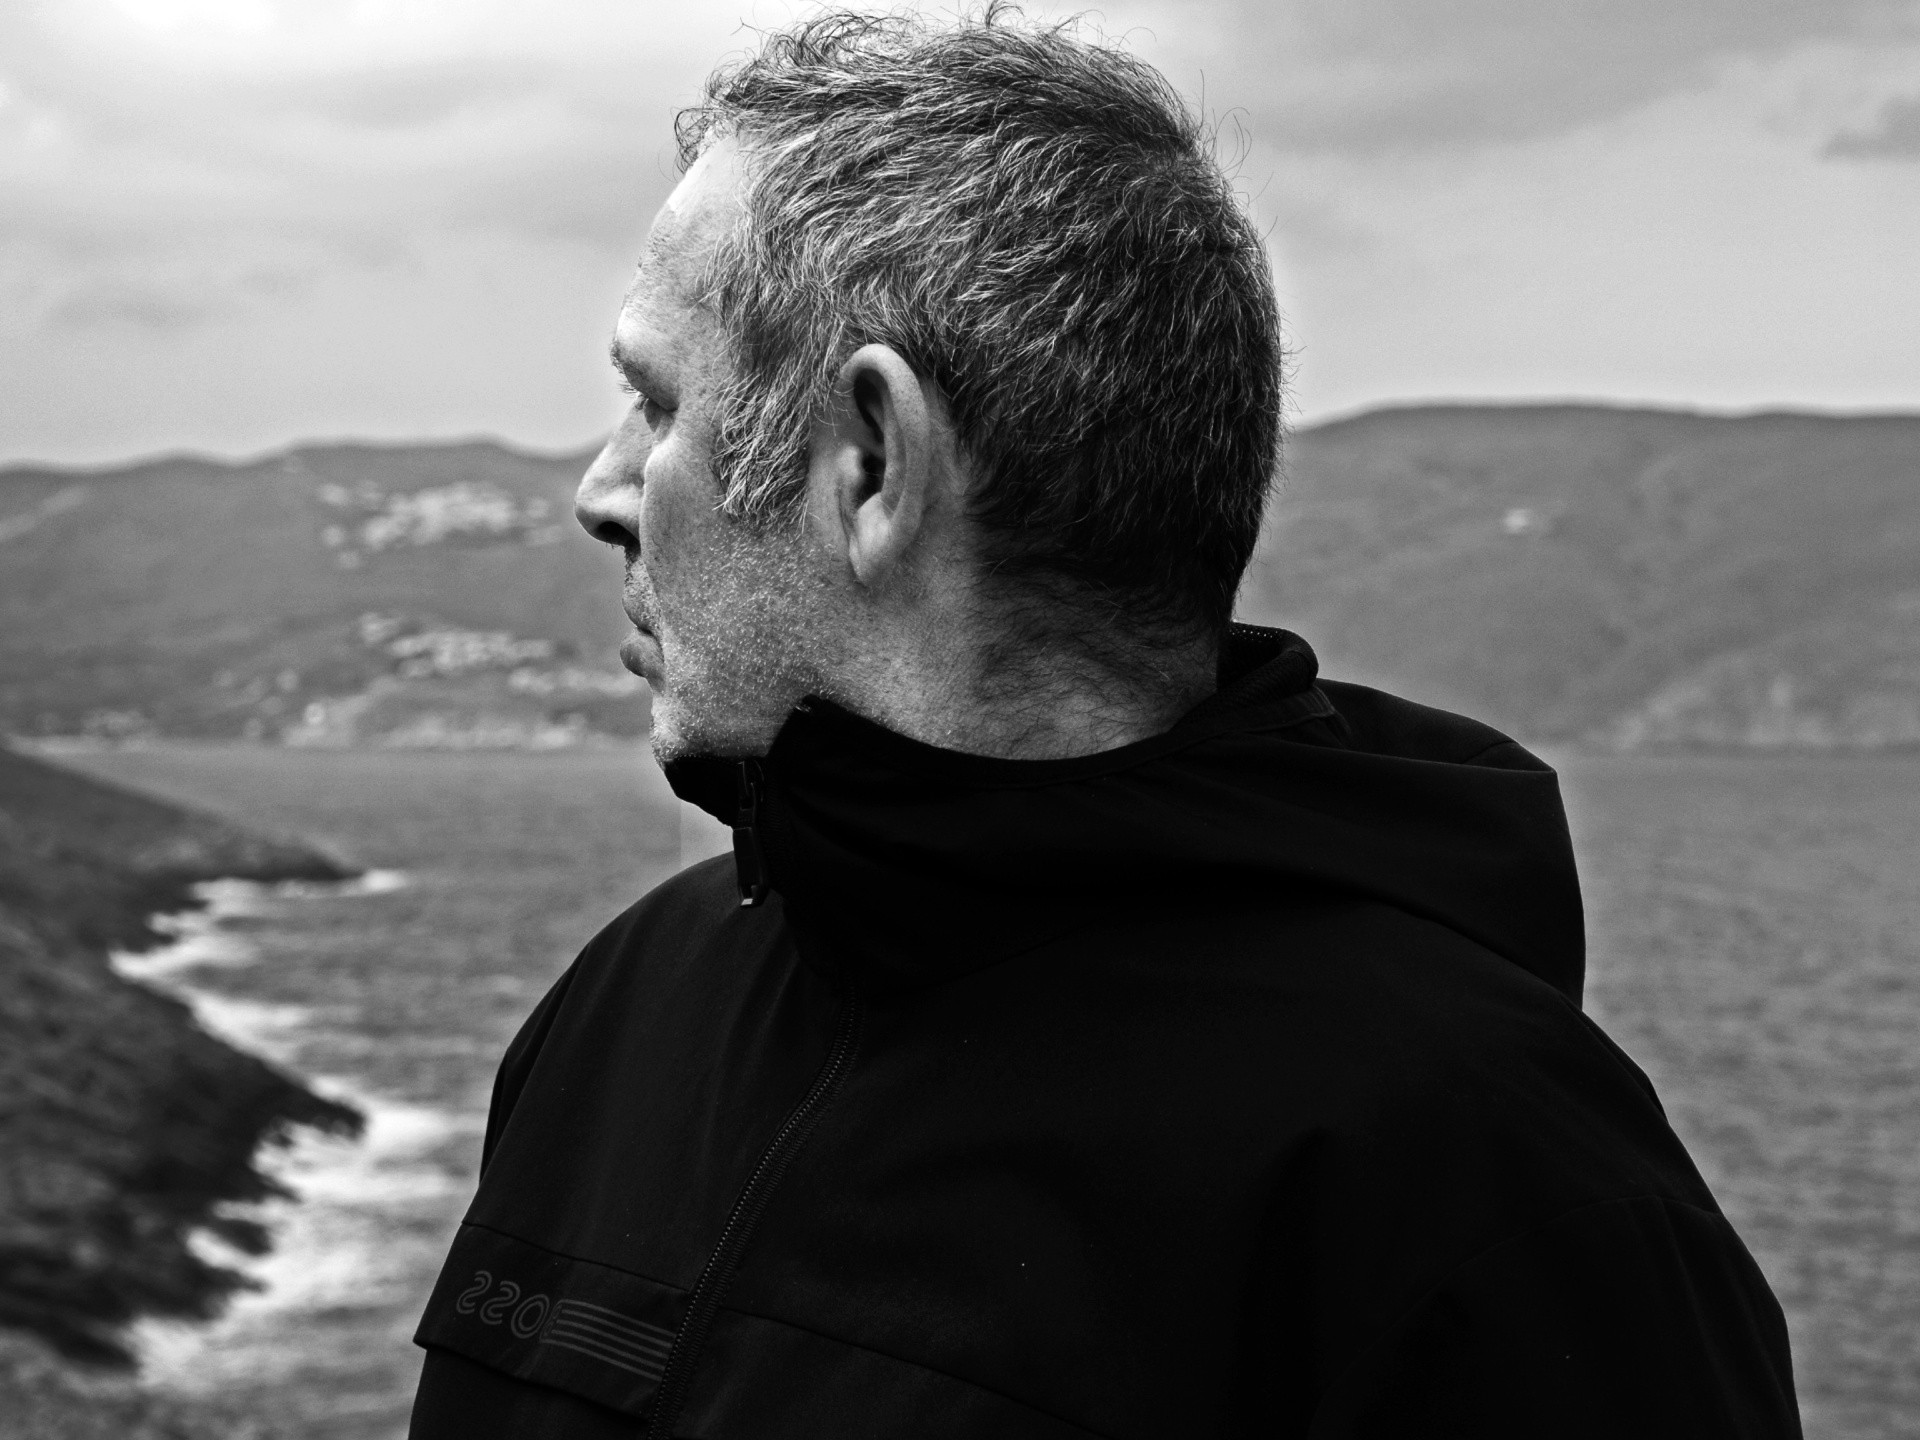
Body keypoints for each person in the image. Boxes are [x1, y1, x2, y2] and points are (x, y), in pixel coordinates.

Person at [408, 11, 1802, 1437]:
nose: (601, 492)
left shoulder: (1500, 1205)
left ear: (873, 463)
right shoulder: (635, 998)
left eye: (655, 404)